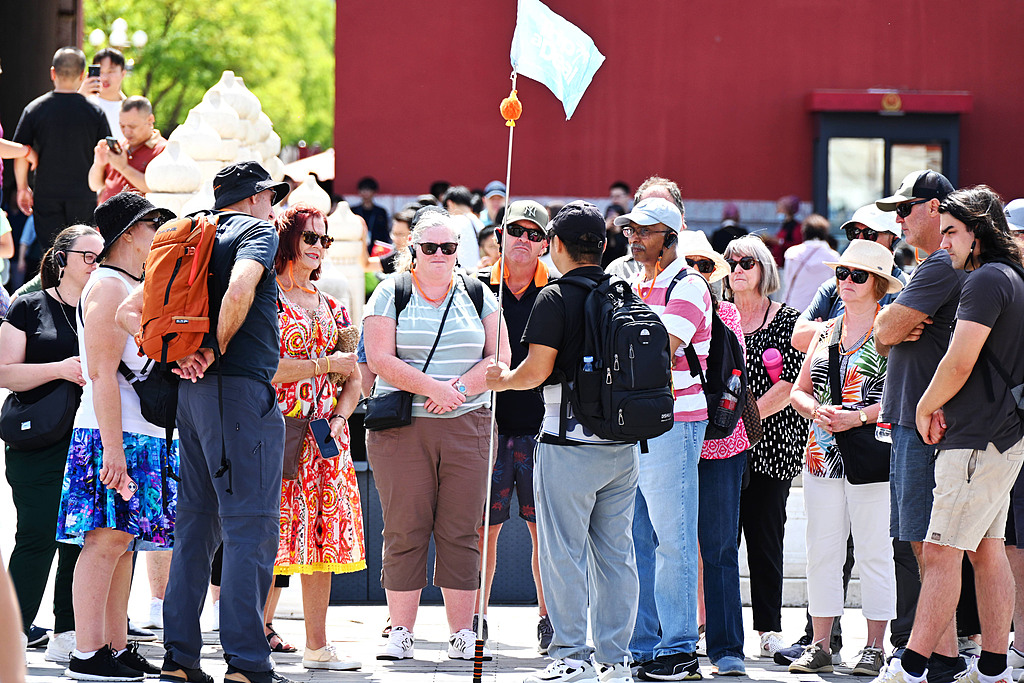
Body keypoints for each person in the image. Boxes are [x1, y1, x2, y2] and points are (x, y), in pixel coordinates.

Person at [874, 186, 1024, 683]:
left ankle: (912, 667)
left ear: (979, 230)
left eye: (953, 232)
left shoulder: (984, 281)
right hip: (1001, 433)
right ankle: (996, 668)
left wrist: (924, 405)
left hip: (975, 437)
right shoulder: (1014, 277)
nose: (945, 243)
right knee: (987, 551)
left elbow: (959, 360)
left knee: (939, 552)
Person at [486, 201, 638, 683]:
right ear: (604, 245)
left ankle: (571, 654)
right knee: (617, 556)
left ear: (554, 245)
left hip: (566, 442)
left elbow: (535, 373)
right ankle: (615, 659)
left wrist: (500, 379)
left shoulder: (554, 297)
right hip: (622, 446)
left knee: (563, 553)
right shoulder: (622, 292)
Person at [157, 160, 292, 683]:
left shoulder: (190, 233)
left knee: (193, 529)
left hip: (190, 397)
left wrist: (180, 357)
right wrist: (212, 348)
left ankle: (181, 661)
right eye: (271, 196)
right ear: (256, 196)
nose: (274, 206)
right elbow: (240, 290)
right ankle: (246, 661)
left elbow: (132, 310)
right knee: (251, 529)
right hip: (236, 395)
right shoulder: (256, 231)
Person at [364, 211, 509, 662]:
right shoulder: (391, 291)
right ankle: (400, 633)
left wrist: (458, 391)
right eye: (431, 247)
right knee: (405, 528)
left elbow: (500, 356)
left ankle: (462, 633)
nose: (441, 255)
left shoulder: (478, 292)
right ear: (414, 251)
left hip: (468, 425)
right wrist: (435, 390)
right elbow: (379, 358)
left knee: (462, 530)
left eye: (449, 248)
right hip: (402, 428)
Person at [781, 202, 913, 665]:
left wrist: (856, 417)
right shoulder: (826, 330)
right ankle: (820, 644)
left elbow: (903, 398)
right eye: (842, 274)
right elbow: (796, 392)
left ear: (877, 283)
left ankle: (875, 647)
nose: (845, 283)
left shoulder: (892, 333)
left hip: (872, 454)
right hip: (821, 454)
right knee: (823, 552)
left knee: (876, 551)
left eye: (857, 276)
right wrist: (816, 409)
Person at [54, 193, 176, 681]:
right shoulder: (106, 285)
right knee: (105, 541)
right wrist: (112, 451)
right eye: (152, 228)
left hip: (137, 432)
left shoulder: (126, 282)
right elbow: (102, 374)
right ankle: (87, 652)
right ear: (128, 233)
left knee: (123, 542)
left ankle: (114, 646)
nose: (158, 237)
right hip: (113, 432)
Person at [872, 170, 965, 683]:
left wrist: (896, 320)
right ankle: (946, 655)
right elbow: (885, 335)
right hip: (918, 418)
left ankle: (934, 658)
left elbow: (884, 330)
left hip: (923, 421)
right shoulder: (939, 267)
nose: (898, 220)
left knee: (928, 545)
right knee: (928, 545)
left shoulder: (937, 268)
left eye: (906, 209)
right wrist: (896, 321)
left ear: (935, 208)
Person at [264, 203, 365, 669]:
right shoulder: (267, 299)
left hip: (327, 438)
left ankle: (317, 646)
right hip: (278, 432)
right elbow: (268, 369)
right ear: (288, 240)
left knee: (322, 543)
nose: (320, 248)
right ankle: (252, 634)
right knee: (268, 539)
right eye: (311, 238)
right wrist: (325, 365)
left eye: (326, 241)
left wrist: (342, 420)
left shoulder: (334, 305)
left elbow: (355, 379)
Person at [618, 197, 714, 680]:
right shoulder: (637, 281)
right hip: (639, 425)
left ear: (670, 237)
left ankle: (678, 650)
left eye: (644, 231)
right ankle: (644, 646)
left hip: (676, 423)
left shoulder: (690, 283)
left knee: (672, 539)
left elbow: (659, 347)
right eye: (630, 229)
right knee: (637, 538)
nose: (633, 237)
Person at [0, 225, 100, 661]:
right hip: (37, 442)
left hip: (92, 438)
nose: (96, 263)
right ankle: (11, 635)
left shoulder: (105, 307)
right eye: (89, 255)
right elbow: (4, 372)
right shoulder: (28, 305)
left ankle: (68, 633)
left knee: (81, 539)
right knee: (37, 535)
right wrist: (58, 369)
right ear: (63, 258)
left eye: (102, 255)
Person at [723, 234, 807, 659]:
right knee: (720, 541)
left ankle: (770, 629)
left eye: (746, 263)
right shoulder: (718, 317)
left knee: (765, 538)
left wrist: (743, 419)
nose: (737, 269)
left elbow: (789, 385)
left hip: (772, 443)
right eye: (731, 262)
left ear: (764, 271)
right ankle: (716, 627)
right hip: (722, 443)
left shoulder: (788, 320)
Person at [474, 200, 552, 653]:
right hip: (488, 427)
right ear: (499, 234)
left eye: (533, 232)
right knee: (484, 530)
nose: (522, 239)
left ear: (545, 243)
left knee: (545, 532)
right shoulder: (477, 287)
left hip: (543, 429)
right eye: (514, 230)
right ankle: (476, 616)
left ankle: (549, 619)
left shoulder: (556, 292)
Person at [678, 229, 750, 676]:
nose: (700, 275)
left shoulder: (727, 314)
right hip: (670, 440)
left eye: (706, 267)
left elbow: (735, 376)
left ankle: (727, 649)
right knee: (671, 547)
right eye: (691, 266)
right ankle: (676, 645)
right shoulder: (658, 314)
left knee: (720, 548)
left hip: (721, 442)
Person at [12, 47, 110, 252]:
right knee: (82, 254)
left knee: (52, 254)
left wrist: (22, 187)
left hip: (47, 194)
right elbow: (105, 154)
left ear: (52, 73)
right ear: (83, 75)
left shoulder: (35, 109)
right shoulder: (95, 112)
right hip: (85, 195)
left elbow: (22, 151)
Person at [791, 204, 906, 353]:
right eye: (854, 233)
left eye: (870, 234)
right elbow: (798, 337)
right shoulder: (835, 285)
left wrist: (822, 330)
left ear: (894, 241)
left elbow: (895, 345)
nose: (860, 239)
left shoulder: (905, 288)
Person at [606, 176, 686, 281]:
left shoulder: (698, 266)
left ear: (680, 220)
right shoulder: (619, 271)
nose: (634, 238)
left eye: (645, 230)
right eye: (632, 230)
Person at [88, 96, 166, 204]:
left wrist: (123, 168)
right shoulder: (119, 145)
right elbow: (95, 185)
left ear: (150, 120)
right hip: (108, 217)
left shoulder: (163, 150)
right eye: (122, 126)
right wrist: (99, 164)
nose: (127, 132)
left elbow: (155, 188)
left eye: (133, 126)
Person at [782, 214, 839, 312]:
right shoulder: (834, 257)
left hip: (794, 308)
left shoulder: (792, 253)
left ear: (804, 232)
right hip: (820, 310)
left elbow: (787, 281)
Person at [79, 48, 127, 140]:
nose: (105, 77)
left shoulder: (130, 107)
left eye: (110, 71)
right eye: (100, 72)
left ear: (123, 73)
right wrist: (80, 96)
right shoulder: (86, 104)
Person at [442, 185, 484, 271]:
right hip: (479, 273)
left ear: (450, 203)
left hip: (459, 274)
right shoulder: (479, 222)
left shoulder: (451, 222)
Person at [351, 176, 389, 251]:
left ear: (374, 192)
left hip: (377, 247)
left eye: (368, 190)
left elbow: (384, 232)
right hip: (358, 245)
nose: (365, 193)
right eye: (362, 190)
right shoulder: (353, 210)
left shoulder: (380, 212)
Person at [767, 195, 802, 268]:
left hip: (788, 265)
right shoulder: (784, 226)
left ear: (787, 210)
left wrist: (779, 242)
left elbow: (797, 246)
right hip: (780, 264)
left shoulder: (796, 227)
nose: (777, 211)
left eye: (780, 209)